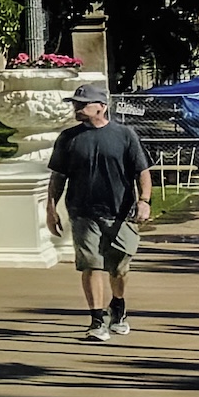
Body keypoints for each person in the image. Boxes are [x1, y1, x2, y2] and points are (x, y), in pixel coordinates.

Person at [42, 79, 148, 344]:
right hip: (82, 212)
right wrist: (51, 208)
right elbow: (58, 176)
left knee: (120, 268)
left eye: (82, 104)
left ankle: (118, 307)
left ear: (101, 106)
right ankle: (96, 320)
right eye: (75, 104)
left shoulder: (124, 135)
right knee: (91, 265)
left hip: (120, 213)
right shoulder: (68, 138)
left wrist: (144, 200)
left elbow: (141, 171)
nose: (76, 108)